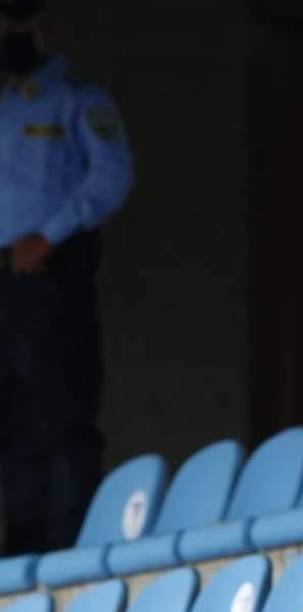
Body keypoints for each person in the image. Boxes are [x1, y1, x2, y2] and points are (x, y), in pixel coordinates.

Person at [0, 0, 132, 553]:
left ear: (40, 29)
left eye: (12, 26)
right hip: (5, 275)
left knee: (62, 411)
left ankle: (70, 547)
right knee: (14, 418)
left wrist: (50, 235)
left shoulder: (79, 95)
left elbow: (112, 176)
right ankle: (23, 549)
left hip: (52, 271)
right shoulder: (4, 99)